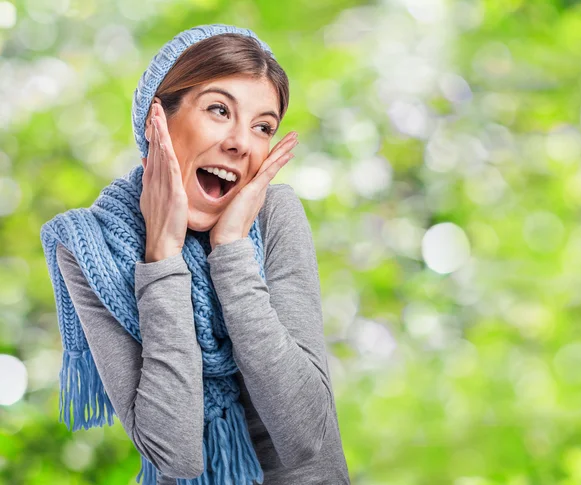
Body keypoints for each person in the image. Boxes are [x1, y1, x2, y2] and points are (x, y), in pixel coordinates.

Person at [40, 24, 350, 485]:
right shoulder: (90, 249)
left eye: (262, 126)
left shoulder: (273, 216)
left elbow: (305, 435)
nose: (241, 142)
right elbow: (177, 455)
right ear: (156, 121)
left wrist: (231, 251)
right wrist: (162, 258)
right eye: (219, 110)